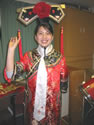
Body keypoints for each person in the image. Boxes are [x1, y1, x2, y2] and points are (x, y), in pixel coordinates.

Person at [4, 21, 68, 125]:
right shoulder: (28, 57)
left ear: (52, 37)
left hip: (53, 109)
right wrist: (11, 50)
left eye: (47, 33)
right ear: (35, 37)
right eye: (40, 33)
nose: (44, 36)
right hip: (32, 108)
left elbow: (64, 85)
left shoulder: (60, 59)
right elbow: (11, 75)